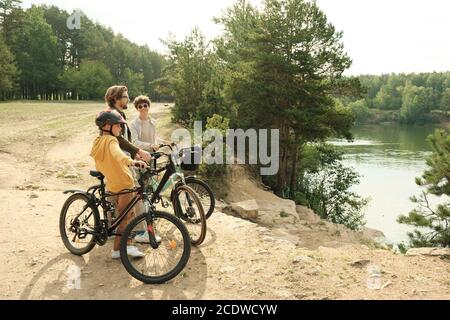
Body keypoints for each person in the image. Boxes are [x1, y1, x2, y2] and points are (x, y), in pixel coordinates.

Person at [90, 110, 148, 259]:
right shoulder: (111, 141)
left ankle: (118, 248)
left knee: (123, 216)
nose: (120, 129)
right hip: (124, 183)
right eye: (118, 125)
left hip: (113, 184)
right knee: (127, 217)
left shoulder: (98, 141)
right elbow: (118, 154)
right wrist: (132, 161)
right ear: (107, 126)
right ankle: (124, 247)